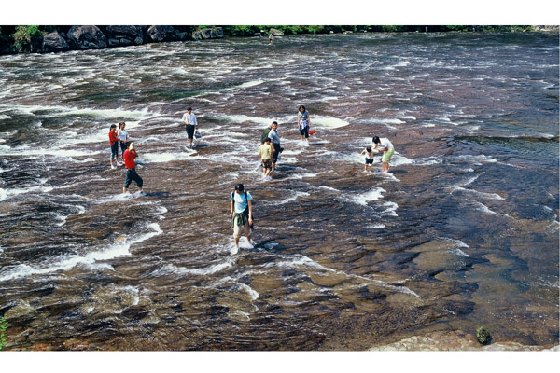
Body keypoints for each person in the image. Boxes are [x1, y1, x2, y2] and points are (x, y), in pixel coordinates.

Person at [230, 183, 254, 254]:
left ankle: (249, 242)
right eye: (236, 191)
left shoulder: (247, 195)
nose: (237, 192)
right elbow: (232, 202)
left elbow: (250, 207)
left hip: (245, 215)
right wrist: (231, 212)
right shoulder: (233, 193)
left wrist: (250, 217)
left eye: (239, 192)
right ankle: (236, 246)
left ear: (242, 190)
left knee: (247, 232)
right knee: (237, 233)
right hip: (237, 215)